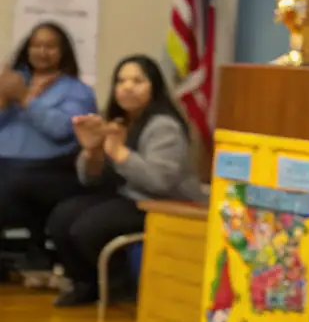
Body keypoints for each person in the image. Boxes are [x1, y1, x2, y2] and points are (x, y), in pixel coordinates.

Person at [49, 54, 202, 307]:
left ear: (154, 87)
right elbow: (89, 180)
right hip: (130, 198)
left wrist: (119, 152)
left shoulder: (164, 126)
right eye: (121, 81)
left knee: (87, 228)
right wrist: (92, 152)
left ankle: (121, 289)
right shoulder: (114, 120)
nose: (127, 87)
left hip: (165, 205)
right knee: (61, 217)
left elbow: (158, 182)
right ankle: (87, 285)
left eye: (137, 81)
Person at [0, 23, 98, 275]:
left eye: (50, 46)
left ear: (63, 51)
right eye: (36, 45)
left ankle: (36, 252)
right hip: (5, 161)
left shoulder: (77, 90)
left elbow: (63, 129)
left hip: (47, 169)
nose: (42, 51)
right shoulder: (12, 79)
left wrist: (25, 99)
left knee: (13, 183)